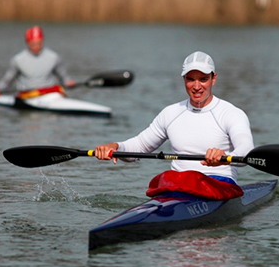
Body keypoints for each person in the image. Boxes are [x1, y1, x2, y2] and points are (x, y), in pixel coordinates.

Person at [94, 51, 254, 185]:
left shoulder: (231, 113)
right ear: (184, 79)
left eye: (203, 79)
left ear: (214, 79)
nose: (197, 86)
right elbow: (140, 147)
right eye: (190, 79)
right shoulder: (171, 113)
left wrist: (225, 159)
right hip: (178, 186)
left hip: (219, 185)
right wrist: (115, 147)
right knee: (163, 180)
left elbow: (246, 152)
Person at [0, 26, 76, 96]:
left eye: (39, 43)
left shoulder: (54, 57)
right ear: (27, 43)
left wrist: (69, 82)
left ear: (42, 41)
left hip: (50, 94)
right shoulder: (18, 60)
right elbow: (7, 81)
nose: (36, 46)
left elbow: (64, 77)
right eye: (33, 44)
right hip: (27, 96)